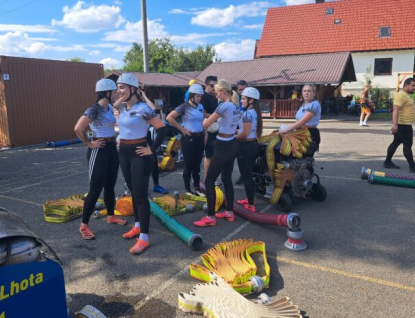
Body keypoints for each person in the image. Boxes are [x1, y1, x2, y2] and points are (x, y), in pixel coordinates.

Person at [115, 73, 167, 253]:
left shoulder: (144, 109)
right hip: (124, 153)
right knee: (132, 192)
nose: (118, 91)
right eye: (117, 87)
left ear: (132, 89)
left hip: (140, 154)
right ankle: (137, 226)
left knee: (140, 196)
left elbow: (161, 129)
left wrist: (152, 150)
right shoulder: (122, 108)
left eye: (122, 87)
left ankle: (144, 237)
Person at [75, 79, 126, 240]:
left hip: (111, 148)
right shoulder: (94, 109)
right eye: (114, 91)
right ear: (107, 92)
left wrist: (130, 92)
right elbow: (78, 128)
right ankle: (84, 225)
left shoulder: (109, 107)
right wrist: (89, 143)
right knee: (95, 189)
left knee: (110, 185)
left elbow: (118, 103)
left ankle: (111, 216)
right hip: (99, 149)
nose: (116, 94)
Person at [194, 79, 241, 227]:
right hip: (232, 143)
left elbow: (206, 124)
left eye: (217, 93)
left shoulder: (223, 106)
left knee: (209, 181)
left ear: (223, 91)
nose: (216, 96)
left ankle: (210, 217)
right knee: (226, 179)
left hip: (223, 145)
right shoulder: (235, 105)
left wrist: (204, 121)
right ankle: (229, 212)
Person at [166, 84, 205, 196]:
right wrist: (181, 128)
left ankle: (197, 187)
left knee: (197, 165)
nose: (199, 98)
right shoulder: (184, 106)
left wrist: (205, 133)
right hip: (189, 138)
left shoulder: (200, 106)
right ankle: (188, 190)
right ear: (191, 96)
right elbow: (169, 117)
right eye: (197, 96)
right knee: (189, 165)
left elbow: (201, 121)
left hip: (199, 137)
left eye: (200, 96)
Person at [235, 87, 263, 212]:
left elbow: (245, 133)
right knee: (248, 175)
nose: (241, 101)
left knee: (246, 176)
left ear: (251, 101)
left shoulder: (247, 114)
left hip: (245, 147)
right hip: (252, 145)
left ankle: (251, 204)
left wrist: (232, 138)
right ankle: (249, 199)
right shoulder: (254, 112)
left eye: (243, 98)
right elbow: (246, 130)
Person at [384, 78, 415, 172]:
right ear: (406, 85)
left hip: (404, 124)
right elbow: (395, 110)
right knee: (407, 145)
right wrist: (394, 125)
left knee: (396, 142)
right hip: (403, 125)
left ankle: (387, 162)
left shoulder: (406, 96)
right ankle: (412, 167)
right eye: (412, 85)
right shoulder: (401, 95)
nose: (414, 87)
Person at [279, 84, 321, 151]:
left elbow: (303, 121)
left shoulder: (314, 104)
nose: (306, 93)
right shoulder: (303, 105)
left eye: (309, 91)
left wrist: (287, 130)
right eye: (304, 91)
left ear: (314, 93)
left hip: (310, 133)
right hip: (300, 132)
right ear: (302, 93)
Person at [200, 76, 218, 181]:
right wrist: (216, 116)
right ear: (206, 85)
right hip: (209, 130)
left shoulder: (214, 97)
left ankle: (212, 178)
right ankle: (207, 179)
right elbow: (203, 114)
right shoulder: (204, 97)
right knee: (209, 156)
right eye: (212, 85)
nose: (214, 87)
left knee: (214, 155)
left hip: (215, 129)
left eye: (216, 85)